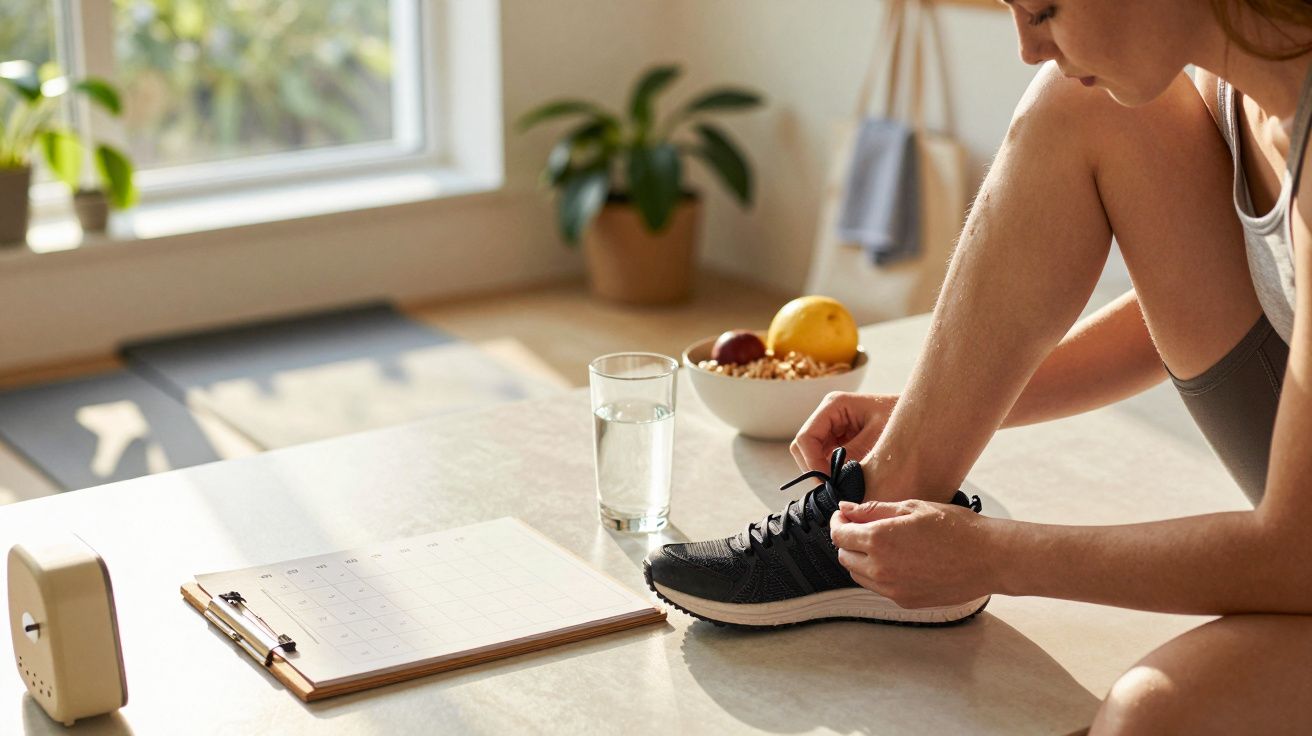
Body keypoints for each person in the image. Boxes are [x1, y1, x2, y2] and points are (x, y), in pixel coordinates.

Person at [646, 0, 1312, 731]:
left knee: (1150, 718)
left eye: (1044, 9)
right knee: (1081, 104)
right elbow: (1231, 296)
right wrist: (924, 412)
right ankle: (887, 493)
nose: (1027, 47)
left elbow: (1296, 551)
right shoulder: (1239, 77)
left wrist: (996, 556)